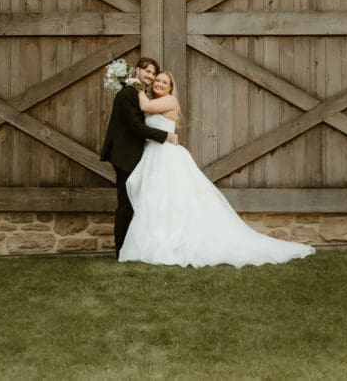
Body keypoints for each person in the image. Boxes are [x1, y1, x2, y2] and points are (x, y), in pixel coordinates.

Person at [119, 71, 315, 267]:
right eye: (158, 80)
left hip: (166, 156)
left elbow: (144, 106)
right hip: (153, 155)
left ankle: (173, 242)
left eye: (164, 82)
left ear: (171, 88)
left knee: (171, 201)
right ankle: (154, 242)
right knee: (156, 200)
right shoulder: (154, 99)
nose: (160, 84)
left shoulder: (170, 100)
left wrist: (134, 83)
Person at [99, 57, 179, 257]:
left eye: (154, 74)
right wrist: (166, 136)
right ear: (136, 71)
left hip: (142, 157)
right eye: (148, 72)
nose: (151, 77)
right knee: (126, 204)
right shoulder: (129, 93)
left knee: (142, 203)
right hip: (125, 156)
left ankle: (137, 248)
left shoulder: (140, 94)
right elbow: (136, 127)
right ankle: (121, 252)